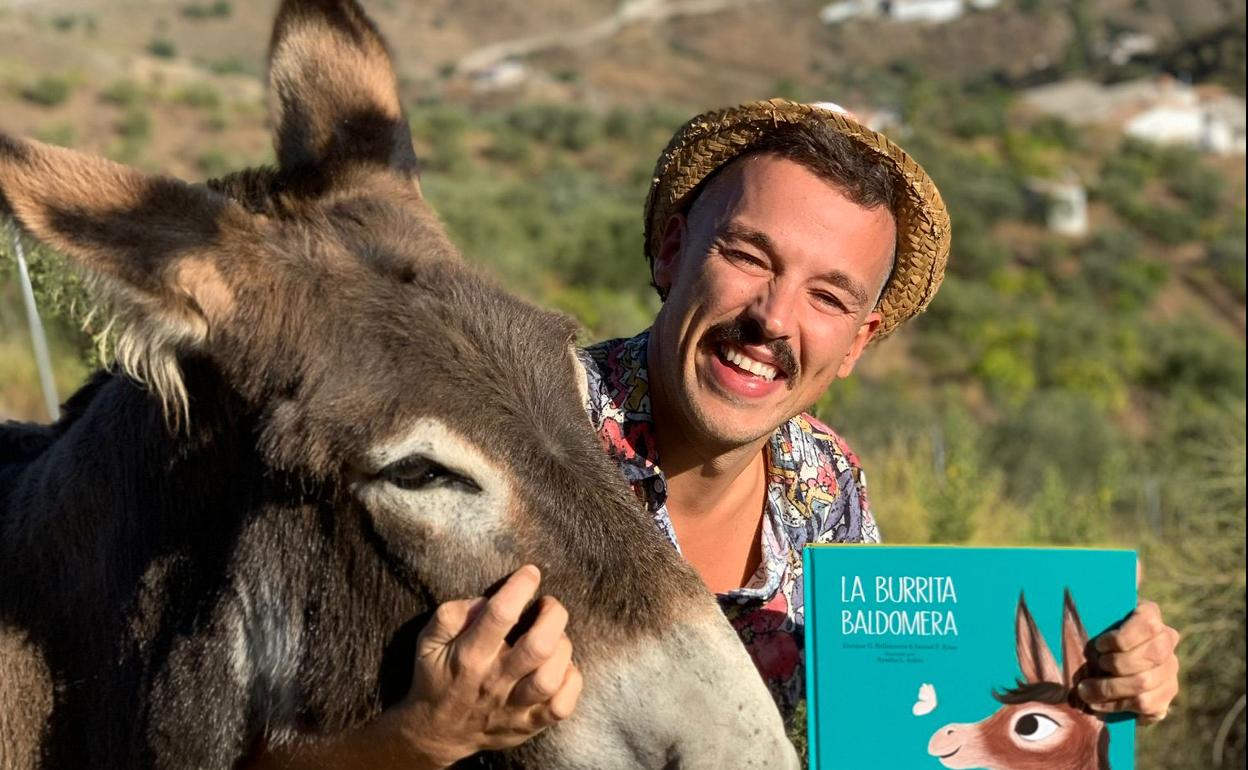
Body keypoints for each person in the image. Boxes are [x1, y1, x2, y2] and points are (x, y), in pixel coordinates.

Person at [254, 99, 1182, 769]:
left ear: (857, 343)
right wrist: (418, 740)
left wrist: (1099, 694)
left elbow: (903, 736)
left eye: (829, 296)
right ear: (670, 250)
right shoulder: (499, 442)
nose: (774, 318)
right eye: (747, 256)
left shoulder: (830, 486)